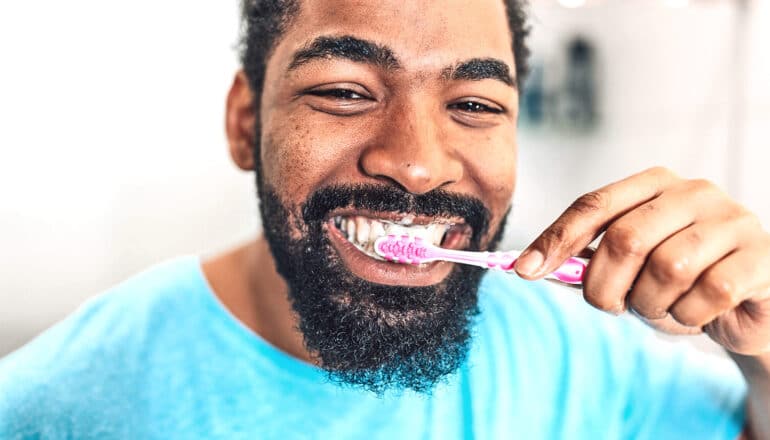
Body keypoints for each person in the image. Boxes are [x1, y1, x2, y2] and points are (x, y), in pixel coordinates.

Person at [1, 0, 768, 438]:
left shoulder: (581, 359)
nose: (418, 163)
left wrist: (765, 348)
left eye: (474, 105)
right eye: (343, 90)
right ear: (245, 123)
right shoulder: (59, 406)